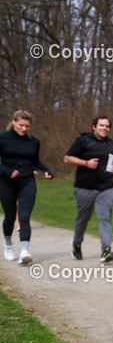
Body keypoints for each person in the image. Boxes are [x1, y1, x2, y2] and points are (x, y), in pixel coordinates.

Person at [63, 116, 113, 262]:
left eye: (107, 126)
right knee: (83, 219)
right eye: (101, 125)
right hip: (85, 187)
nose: (105, 128)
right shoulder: (83, 141)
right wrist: (86, 163)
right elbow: (67, 158)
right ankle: (76, 243)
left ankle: (106, 251)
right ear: (94, 127)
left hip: (106, 187)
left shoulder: (112, 144)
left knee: (105, 218)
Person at [1, 110, 53, 264]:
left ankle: (24, 252)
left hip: (27, 181)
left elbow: (35, 160)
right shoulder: (2, 139)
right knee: (10, 217)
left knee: (24, 216)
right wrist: (7, 171)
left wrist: (47, 170)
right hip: (6, 182)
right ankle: (8, 245)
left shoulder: (34, 141)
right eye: (21, 125)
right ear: (13, 122)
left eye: (27, 126)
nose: (24, 129)